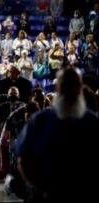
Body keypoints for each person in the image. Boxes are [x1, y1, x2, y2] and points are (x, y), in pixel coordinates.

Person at [16, 67, 98, 202]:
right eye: (65, 85)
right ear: (57, 88)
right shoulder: (39, 121)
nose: (70, 90)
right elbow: (23, 160)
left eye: (75, 85)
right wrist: (42, 189)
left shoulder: (92, 122)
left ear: (80, 88)